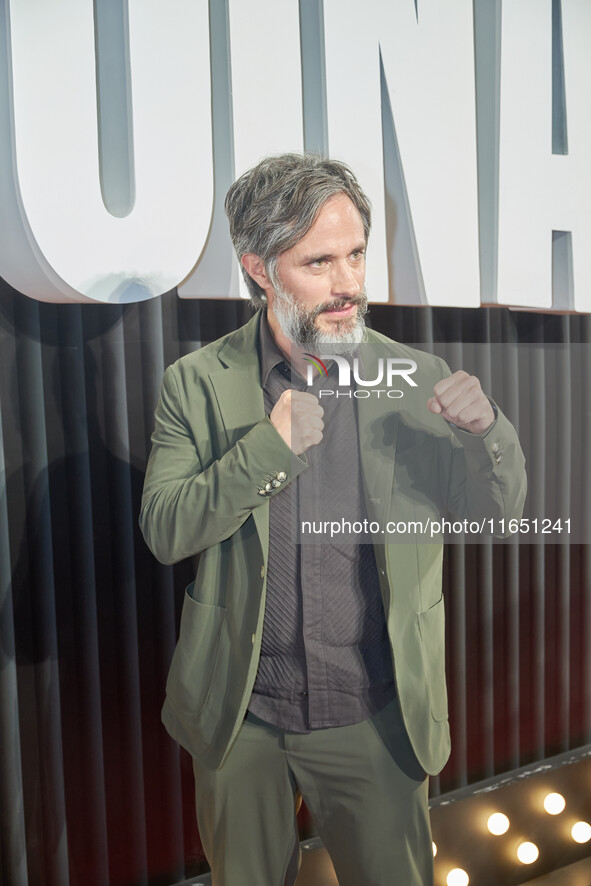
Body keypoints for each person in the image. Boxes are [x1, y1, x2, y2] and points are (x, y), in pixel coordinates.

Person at [139, 154, 526, 886]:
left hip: (375, 716)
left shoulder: (416, 379)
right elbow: (165, 530)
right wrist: (267, 448)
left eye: (354, 255)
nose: (347, 283)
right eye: (318, 262)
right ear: (258, 270)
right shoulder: (195, 384)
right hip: (239, 719)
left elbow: (494, 513)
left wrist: (488, 435)